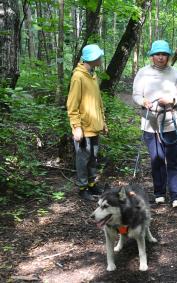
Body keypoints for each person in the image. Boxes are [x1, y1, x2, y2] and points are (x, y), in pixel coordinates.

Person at [132, 40, 177, 208]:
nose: (161, 57)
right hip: (150, 124)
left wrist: (172, 100)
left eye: (164, 54)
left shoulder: (175, 73)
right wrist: (143, 101)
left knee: (175, 160)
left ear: (168, 56)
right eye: (157, 54)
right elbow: (136, 94)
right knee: (156, 159)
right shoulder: (143, 73)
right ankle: (159, 192)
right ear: (152, 56)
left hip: (172, 123)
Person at [67, 44, 107, 201]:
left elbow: (98, 101)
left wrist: (103, 121)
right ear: (92, 58)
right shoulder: (78, 77)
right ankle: (83, 188)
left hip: (94, 126)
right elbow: (72, 105)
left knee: (93, 158)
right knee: (83, 159)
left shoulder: (93, 75)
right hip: (83, 128)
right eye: (99, 56)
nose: (101, 58)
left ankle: (92, 185)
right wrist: (76, 127)